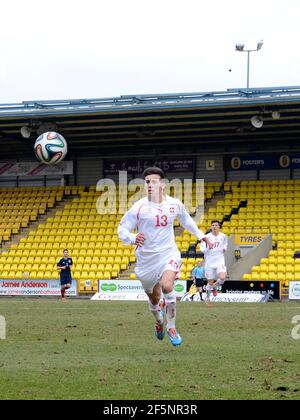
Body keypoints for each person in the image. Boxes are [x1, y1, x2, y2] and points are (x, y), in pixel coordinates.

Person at [118, 167, 212, 347]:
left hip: (168, 253)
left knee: (167, 284)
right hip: (146, 260)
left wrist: (201, 235)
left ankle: (171, 326)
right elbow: (121, 229)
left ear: (162, 184)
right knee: (154, 299)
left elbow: (186, 220)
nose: (150, 185)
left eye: (154, 181)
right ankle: (159, 321)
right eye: (147, 182)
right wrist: (132, 238)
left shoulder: (174, 204)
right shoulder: (139, 207)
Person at [201, 220, 227, 307]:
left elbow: (225, 244)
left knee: (223, 278)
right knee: (210, 282)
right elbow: (202, 250)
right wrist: (209, 247)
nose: (214, 226)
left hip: (220, 260)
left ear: (219, 227)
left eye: (216, 225)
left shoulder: (223, 236)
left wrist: (225, 248)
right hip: (209, 262)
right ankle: (208, 298)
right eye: (213, 225)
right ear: (211, 227)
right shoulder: (206, 238)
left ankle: (215, 286)